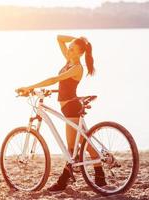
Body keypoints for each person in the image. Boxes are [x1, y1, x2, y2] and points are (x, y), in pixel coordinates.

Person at [15, 35, 107, 192]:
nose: (69, 50)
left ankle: (64, 180)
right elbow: (59, 38)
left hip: (71, 107)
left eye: (73, 49)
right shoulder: (69, 60)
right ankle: (99, 177)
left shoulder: (77, 67)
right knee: (78, 145)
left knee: (72, 148)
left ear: (79, 53)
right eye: (69, 48)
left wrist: (30, 87)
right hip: (68, 107)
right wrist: (79, 40)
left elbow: (55, 79)